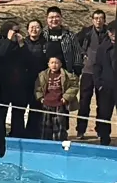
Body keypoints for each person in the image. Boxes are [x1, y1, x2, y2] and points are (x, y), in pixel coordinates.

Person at [0, 21, 34, 138]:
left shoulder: (22, 45)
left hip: (19, 85)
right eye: (14, 31)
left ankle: (17, 135)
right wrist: (8, 40)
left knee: (18, 113)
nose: (17, 34)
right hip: (3, 85)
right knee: (0, 112)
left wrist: (21, 44)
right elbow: (1, 56)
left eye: (18, 31)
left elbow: (29, 60)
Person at [75, 10, 109, 139]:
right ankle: (81, 130)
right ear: (92, 20)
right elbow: (75, 43)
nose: (98, 20)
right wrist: (82, 54)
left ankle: (101, 130)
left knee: (103, 104)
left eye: (101, 18)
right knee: (84, 102)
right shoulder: (86, 32)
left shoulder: (109, 32)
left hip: (103, 73)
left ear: (104, 20)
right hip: (88, 71)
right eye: (96, 18)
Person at [35, 56, 78, 141]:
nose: (54, 65)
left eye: (56, 63)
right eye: (52, 63)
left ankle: (59, 142)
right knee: (45, 126)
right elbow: (38, 87)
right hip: (46, 104)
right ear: (48, 64)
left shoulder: (67, 75)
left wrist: (66, 97)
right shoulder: (42, 75)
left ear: (61, 64)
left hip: (59, 103)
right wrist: (40, 97)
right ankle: (45, 142)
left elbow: (74, 86)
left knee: (59, 126)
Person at [92, 19, 116, 146]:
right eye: (111, 32)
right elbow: (97, 66)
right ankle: (104, 139)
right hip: (105, 87)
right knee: (104, 114)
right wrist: (99, 84)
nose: (114, 34)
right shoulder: (102, 48)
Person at [43, 6, 83, 75]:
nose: (54, 19)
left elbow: (76, 53)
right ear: (47, 19)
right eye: (51, 17)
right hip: (45, 73)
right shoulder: (42, 34)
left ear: (61, 18)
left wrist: (77, 70)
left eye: (57, 17)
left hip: (65, 72)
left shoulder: (69, 35)